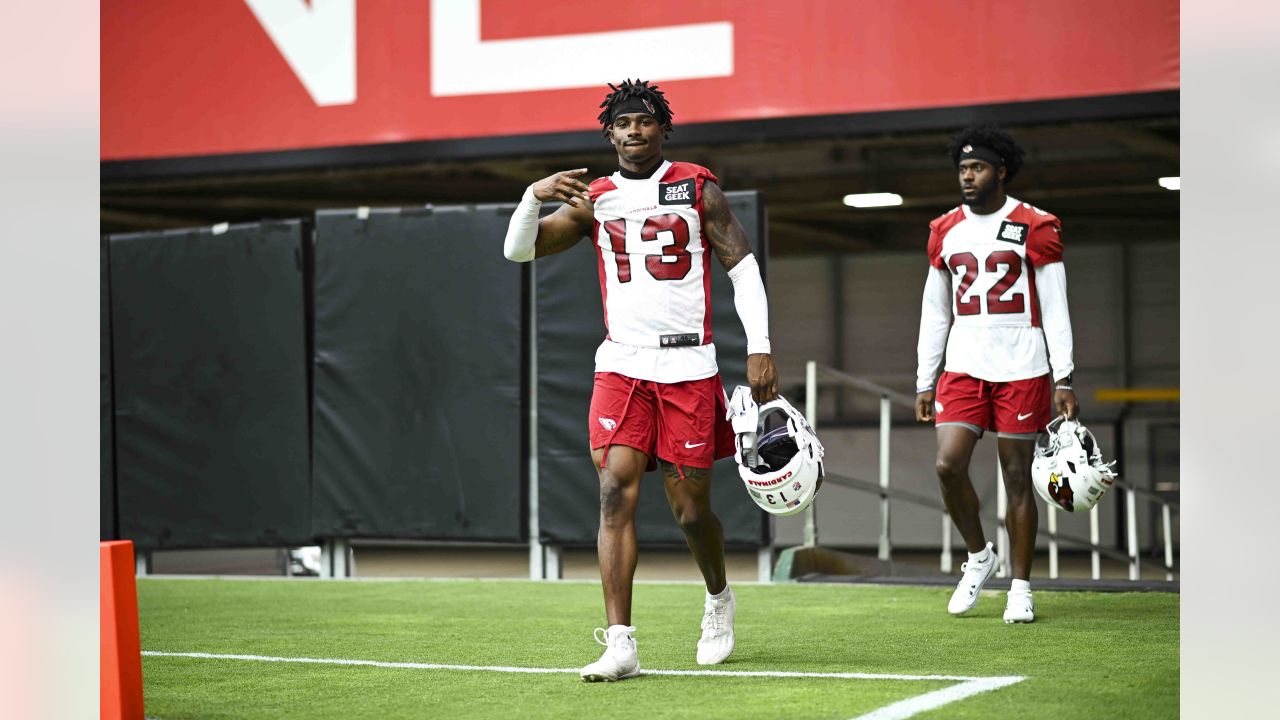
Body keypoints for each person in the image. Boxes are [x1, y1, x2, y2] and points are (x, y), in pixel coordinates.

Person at [502, 79, 778, 680]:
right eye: (623, 123)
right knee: (613, 493)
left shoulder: (696, 185)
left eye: (644, 121)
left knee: (689, 511)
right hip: (622, 364)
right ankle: (621, 642)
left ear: (662, 129)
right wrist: (531, 195)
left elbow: (743, 267)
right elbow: (519, 251)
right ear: (609, 133)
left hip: (688, 365)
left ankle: (718, 597)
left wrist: (759, 347)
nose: (633, 131)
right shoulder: (594, 197)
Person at [914, 123, 1078, 624]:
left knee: (1016, 477)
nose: (967, 176)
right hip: (964, 364)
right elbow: (935, 310)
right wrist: (925, 376)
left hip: (1022, 364)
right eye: (962, 168)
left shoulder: (1036, 223)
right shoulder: (945, 229)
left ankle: (1021, 587)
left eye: (978, 167)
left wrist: (1063, 375)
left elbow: (1055, 305)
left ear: (1000, 171)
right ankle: (980, 556)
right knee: (948, 464)